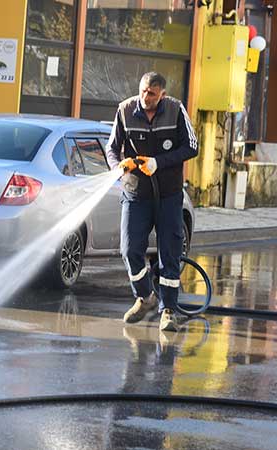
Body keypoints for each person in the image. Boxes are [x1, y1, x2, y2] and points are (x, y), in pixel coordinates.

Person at [106, 72, 198, 332]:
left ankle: (168, 310)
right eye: (144, 91)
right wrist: (118, 165)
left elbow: (192, 146)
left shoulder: (175, 110)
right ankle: (145, 296)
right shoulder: (125, 110)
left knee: (169, 251)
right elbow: (112, 147)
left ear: (163, 95)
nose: (146, 98)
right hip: (136, 193)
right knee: (129, 248)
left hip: (168, 194)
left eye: (152, 94)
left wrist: (159, 162)